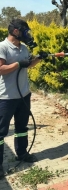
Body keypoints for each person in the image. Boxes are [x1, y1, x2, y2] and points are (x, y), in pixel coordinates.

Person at [0, 19, 48, 178]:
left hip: (23, 95)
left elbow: (27, 65)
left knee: (21, 128)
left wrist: (39, 58)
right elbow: (1, 69)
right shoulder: (3, 47)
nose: (27, 34)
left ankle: (21, 153)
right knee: (1, 133)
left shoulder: (24, 48)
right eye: (24, 31)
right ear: (15, 31)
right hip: (6, 98)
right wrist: (17, 64)